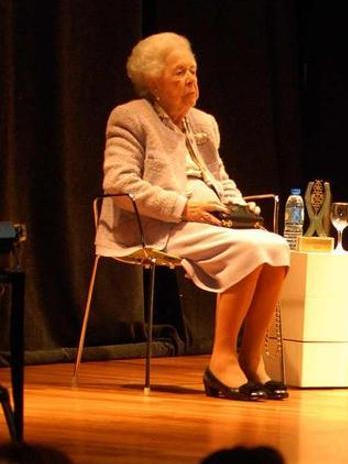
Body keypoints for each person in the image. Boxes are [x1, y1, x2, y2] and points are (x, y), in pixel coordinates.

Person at [96, 32, 290, 402]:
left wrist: (242, 210)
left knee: (277, 246)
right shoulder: (129, 118)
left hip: (212, 222)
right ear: (154, 82)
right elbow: (119, 185)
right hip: (158, 224)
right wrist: (183, 208)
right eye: (179, 72)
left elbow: (220, 177)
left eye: (194, 71)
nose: (191, 80)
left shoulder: (203, 123)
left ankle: (251, 358)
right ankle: (221, 360)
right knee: (250, 250)